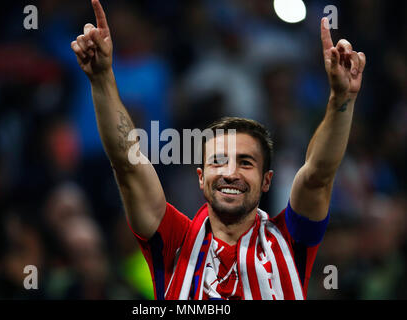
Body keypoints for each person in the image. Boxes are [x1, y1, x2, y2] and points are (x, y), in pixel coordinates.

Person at [71, 0, 366, 300]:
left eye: (246, 162)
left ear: (267, 180)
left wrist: (340, 98)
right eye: (218, 162)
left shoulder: (291, 240)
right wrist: (101, 79)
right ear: (200, 177)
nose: (230, 172)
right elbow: (127, 164)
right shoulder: (174, 242)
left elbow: (318, 174)